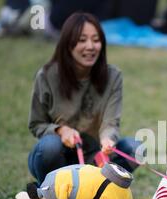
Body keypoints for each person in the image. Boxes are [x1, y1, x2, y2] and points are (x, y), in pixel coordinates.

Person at [28, 12, 142, 184]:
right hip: (56, 157)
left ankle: (100, 187)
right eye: (82, 40)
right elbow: (36, 124)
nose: (90, 46)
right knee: (50, 146)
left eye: (96, 40)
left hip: (93, 159)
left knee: (134, 148)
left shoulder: (113, 76)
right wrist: (60, 130)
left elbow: (110, 123)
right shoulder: (46, 75)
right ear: (68, 44)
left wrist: (107, 139)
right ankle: (50, 190)